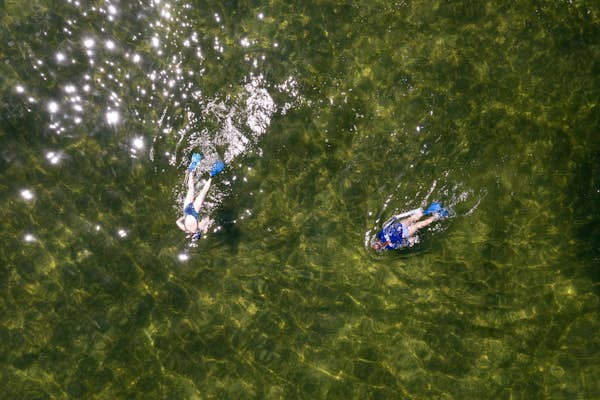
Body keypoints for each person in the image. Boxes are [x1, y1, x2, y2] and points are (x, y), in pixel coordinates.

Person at [176, 153, 224, 240]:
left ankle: (212, 175)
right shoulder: (186, 230)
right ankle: (191, 170)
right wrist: (183, 216)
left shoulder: (199, 227)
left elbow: (207, 217)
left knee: (203, 192)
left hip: (194, 210)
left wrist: (206, 227)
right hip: (187, 210)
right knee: (191, 189)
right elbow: (177, 222)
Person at [372, 202, 448, 251]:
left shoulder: (380, 234)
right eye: (379, 246)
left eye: (378, 244)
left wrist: (397, 217)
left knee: (413, 217)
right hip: (404, 233)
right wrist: (409, 241)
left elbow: (389, 223)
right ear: (381, 248)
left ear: (376, 241)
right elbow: (400, 243)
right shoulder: (390, 246)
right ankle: (437, 216)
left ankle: (428, 210)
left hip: (400, 225)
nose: (380, 244)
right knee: (418, 225)